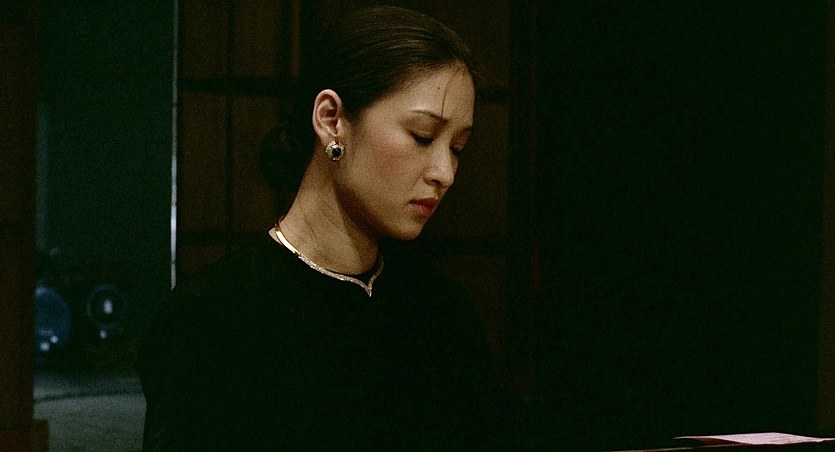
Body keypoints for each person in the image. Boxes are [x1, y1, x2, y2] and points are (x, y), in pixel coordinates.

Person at [139, 5, 512, 450]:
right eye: (422, 136)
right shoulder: (210, 319)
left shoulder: (444, 314)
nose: (445, 173)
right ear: (332, 119)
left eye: (457, 148)